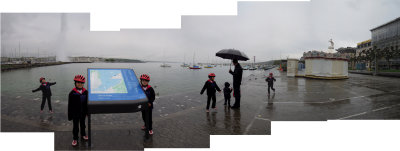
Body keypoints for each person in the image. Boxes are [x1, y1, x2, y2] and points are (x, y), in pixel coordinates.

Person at [68, 75, 88, 146]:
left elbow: (87, 104)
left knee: (83, 125)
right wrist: (70, 116)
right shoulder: (72, 93)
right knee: (75, 126)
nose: (80, 84)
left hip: (83, 113)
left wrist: (87, 113)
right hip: (75, 113)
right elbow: (70, 105)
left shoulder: (86, 92)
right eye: (78, 82)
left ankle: (83, 134)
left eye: (82, 83)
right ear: (75, 83)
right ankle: (75, 138)